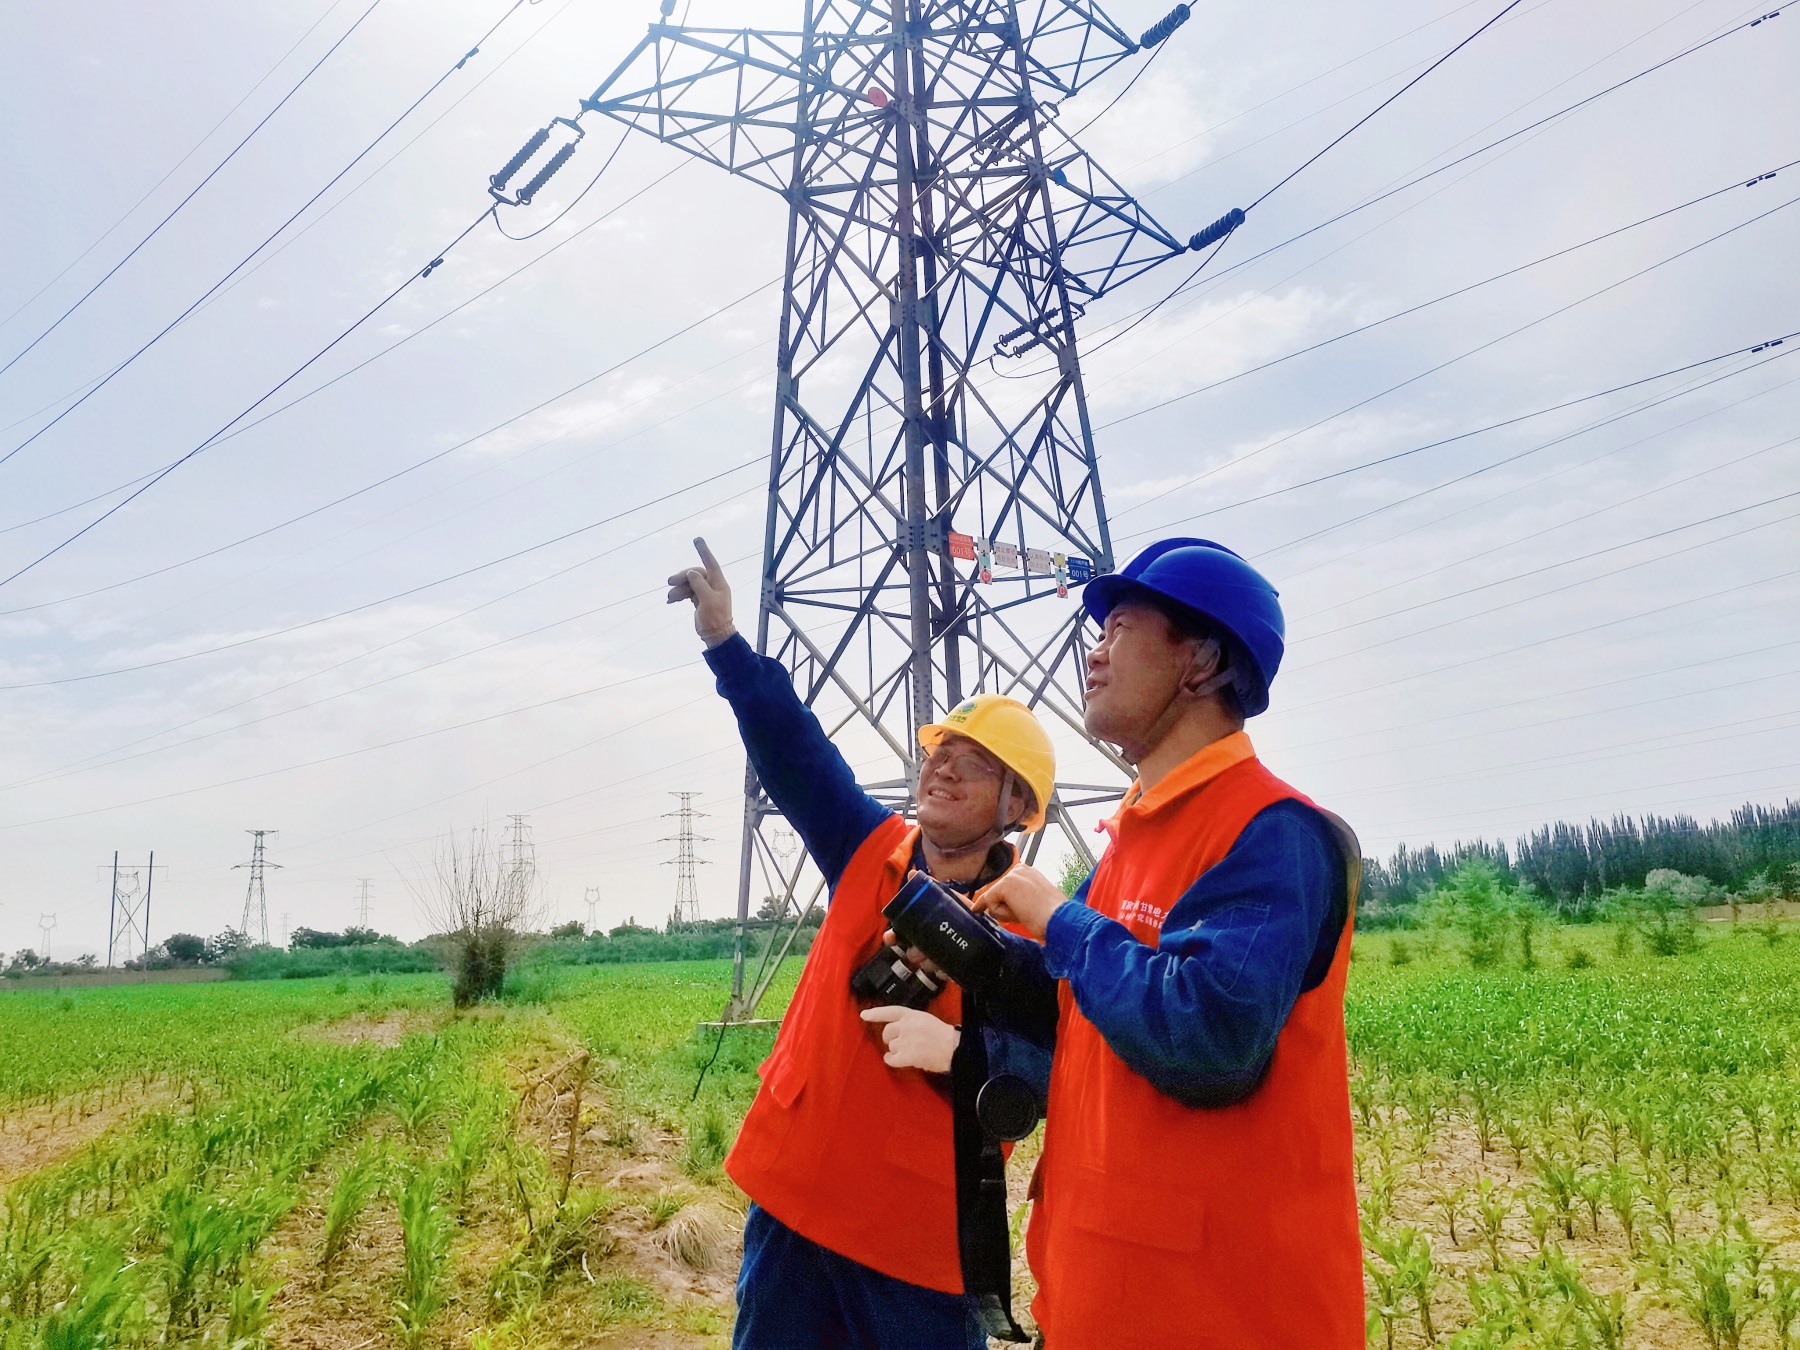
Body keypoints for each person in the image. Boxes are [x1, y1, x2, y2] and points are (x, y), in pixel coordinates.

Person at [974, 537, 1365, 1348]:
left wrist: (1060, 920)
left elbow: (1211, 1036)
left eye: (1119, 629)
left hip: (1217, 1315)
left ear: (1202, 662)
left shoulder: (1273, 832)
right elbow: (1078, 1001)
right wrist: (971, 949)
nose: (1094, 653)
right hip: (1099, 1299)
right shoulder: (1134, 832)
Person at [667, 538, 1056, 1350]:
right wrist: (727, 644)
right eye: (940, 753)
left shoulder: (1032, 931)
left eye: (973, 764)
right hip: (794, 1201)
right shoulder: (866, 848)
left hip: (913, 1239)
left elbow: (1055, 1075)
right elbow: (796, 753)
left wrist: (965, 1054)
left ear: (1016, 806)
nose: (942, 769)